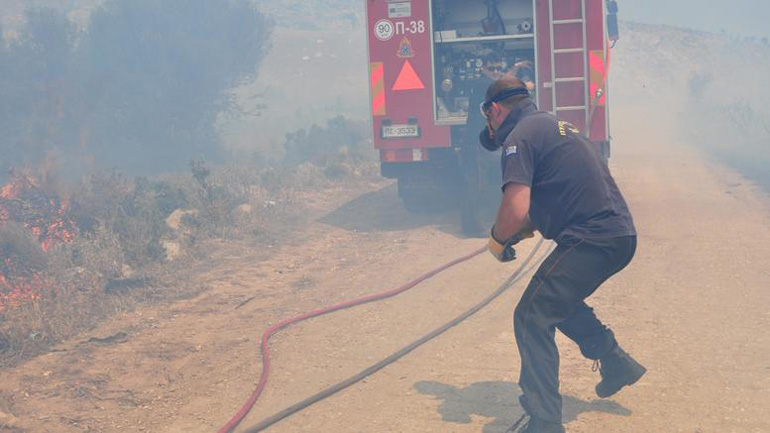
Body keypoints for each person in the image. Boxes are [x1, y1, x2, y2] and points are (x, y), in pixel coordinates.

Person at [479, 77, 646, 433]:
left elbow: (515, 205)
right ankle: (616, 362)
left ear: (495, 110)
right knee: (557, 301)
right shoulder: (555, 125)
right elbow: (565, 190)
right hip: (618, 235)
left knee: (531, 316)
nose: (491, 128)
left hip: (592, 238)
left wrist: (498, 238)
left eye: (489, 120)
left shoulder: (518, 138)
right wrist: (526, 226)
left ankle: (544, 423)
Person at [458, 53, 508, 237]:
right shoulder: (484, 85)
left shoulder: (484, 84)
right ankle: (472, 227)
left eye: (498, 68)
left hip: (478, 142)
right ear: (483, 68)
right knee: (475, 184)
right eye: (492, 68)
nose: (496, 72)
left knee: (477, 183)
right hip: (474, 144)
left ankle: (472, 225)